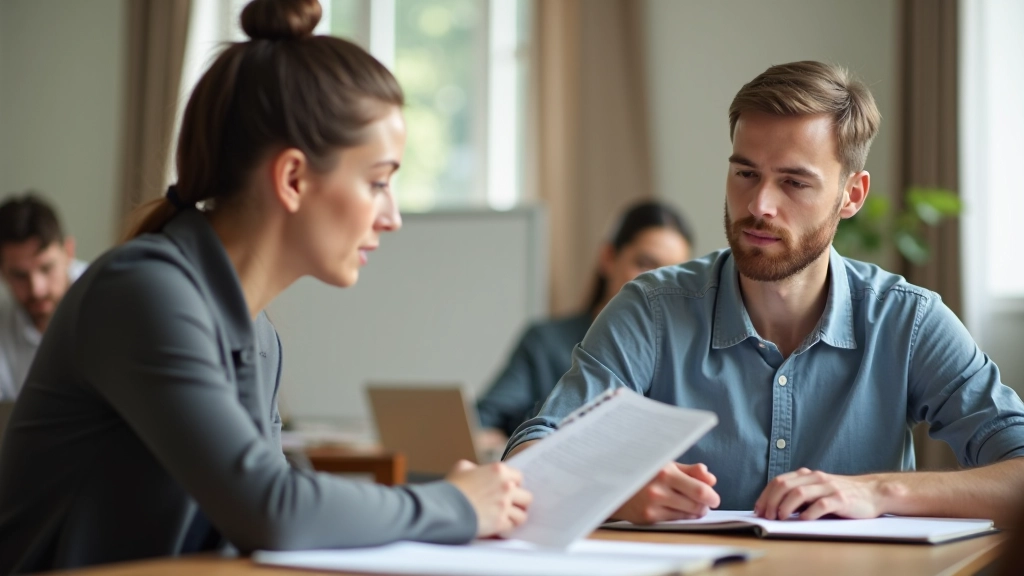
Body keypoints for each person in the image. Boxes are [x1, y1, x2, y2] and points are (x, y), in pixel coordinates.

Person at [0, 0, 530, 572]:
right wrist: (453, 505)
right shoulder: (143, 294)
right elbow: (271, 510)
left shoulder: (256, 333)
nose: (391, 216)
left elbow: (278, 506)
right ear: (294, 178)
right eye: (378, 182)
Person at [505, 61, 1024, 527]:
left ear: (852, 195)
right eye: (745, 174)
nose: (759, 205)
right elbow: (527, 457)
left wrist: (879, 490)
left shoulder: (906, 322)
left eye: (794, 183)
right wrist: (618, 494)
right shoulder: (652, 310)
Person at [476, 200, 693, 441]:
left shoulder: (682, 355)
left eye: (672, 274)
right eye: (645, 264)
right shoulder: (546, 341)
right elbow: (484, 423)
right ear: (608, 257)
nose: (657, 284)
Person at [0, 193, 87, 401]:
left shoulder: (113, 301)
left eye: (46, 268)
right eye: (20, 275)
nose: (36, 289)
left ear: (69, 251)